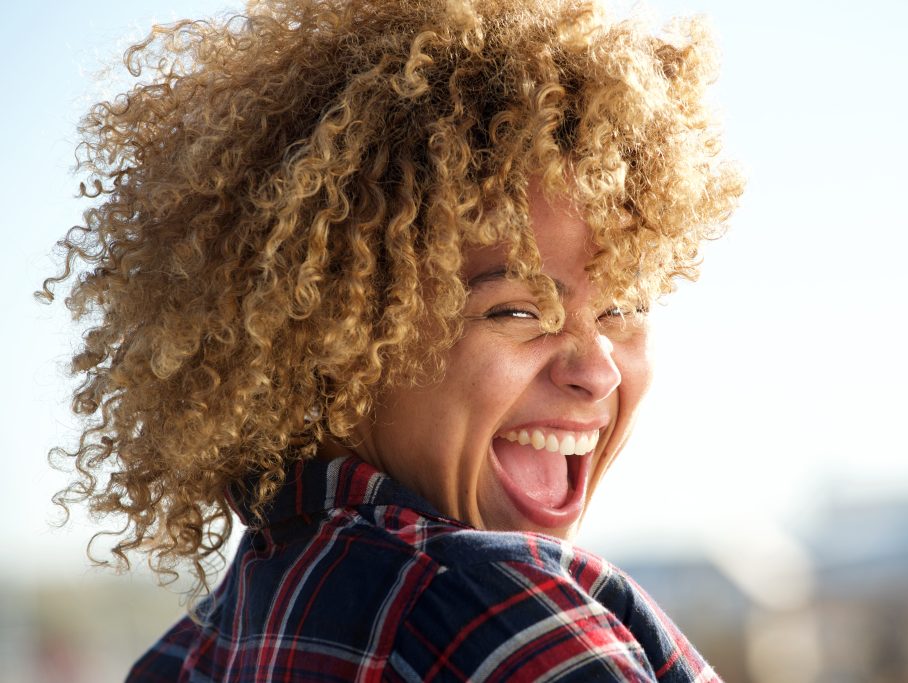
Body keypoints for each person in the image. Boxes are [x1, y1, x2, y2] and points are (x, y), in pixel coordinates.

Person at [42, 0, 743, 679]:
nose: (598, 370)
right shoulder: (505, 623)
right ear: (339, 333)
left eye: (623, 305)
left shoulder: (185, 655)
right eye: (517, 311)